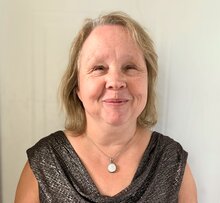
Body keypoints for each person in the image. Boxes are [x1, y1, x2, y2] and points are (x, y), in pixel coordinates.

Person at [15, 11, 197, 202]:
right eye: (99, 68)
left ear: (148, 82)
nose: (116, 82)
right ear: (77, 86)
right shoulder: (43, 165)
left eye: (130, 67)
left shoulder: (173, 163)